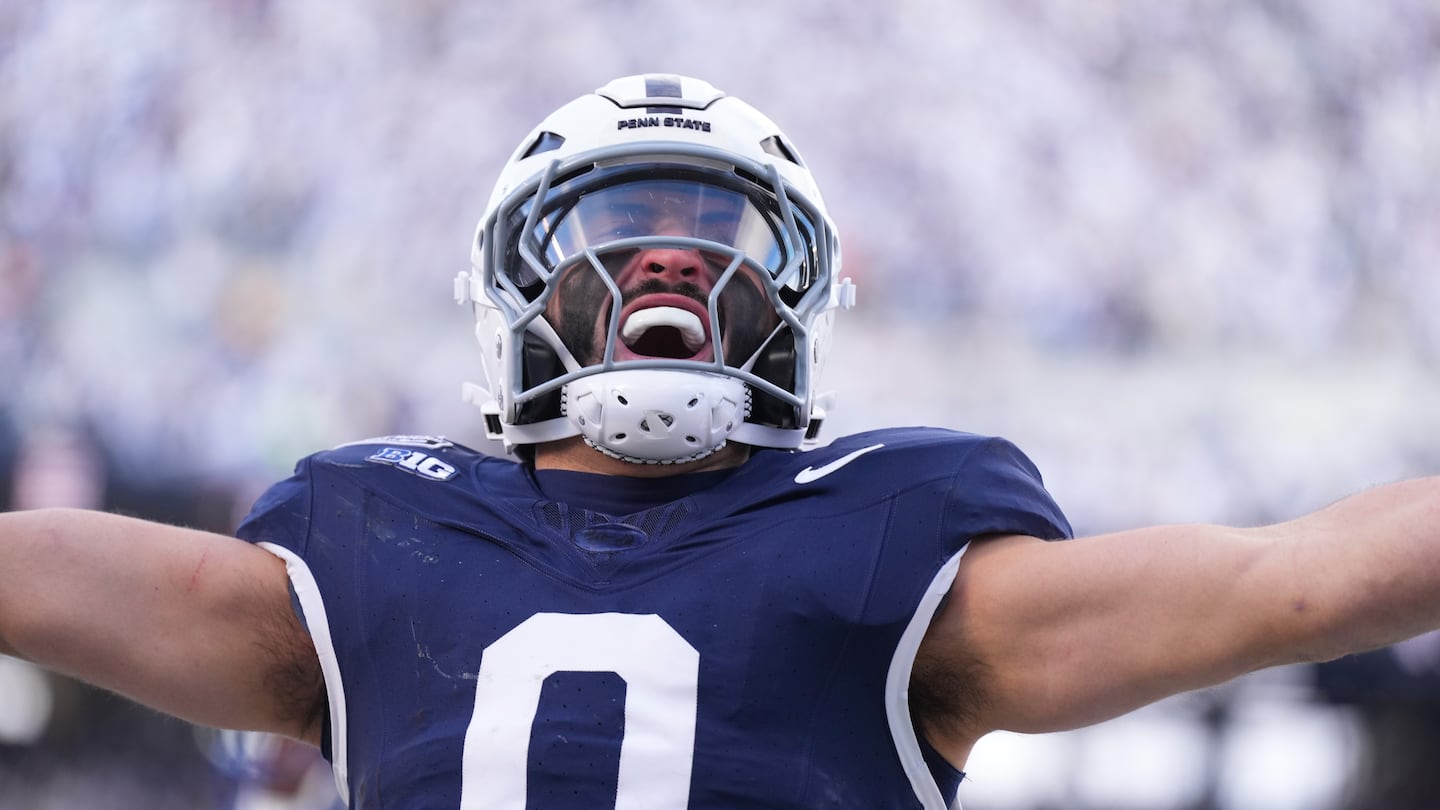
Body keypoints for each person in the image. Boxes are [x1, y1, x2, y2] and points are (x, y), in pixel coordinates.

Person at [1, 73, 1438, 810]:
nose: (673, 265)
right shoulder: (366, 531)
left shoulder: (896, 531)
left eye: (724, 241)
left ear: (802, 300)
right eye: (617, 233)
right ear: (515, 294)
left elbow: (1292, 581)